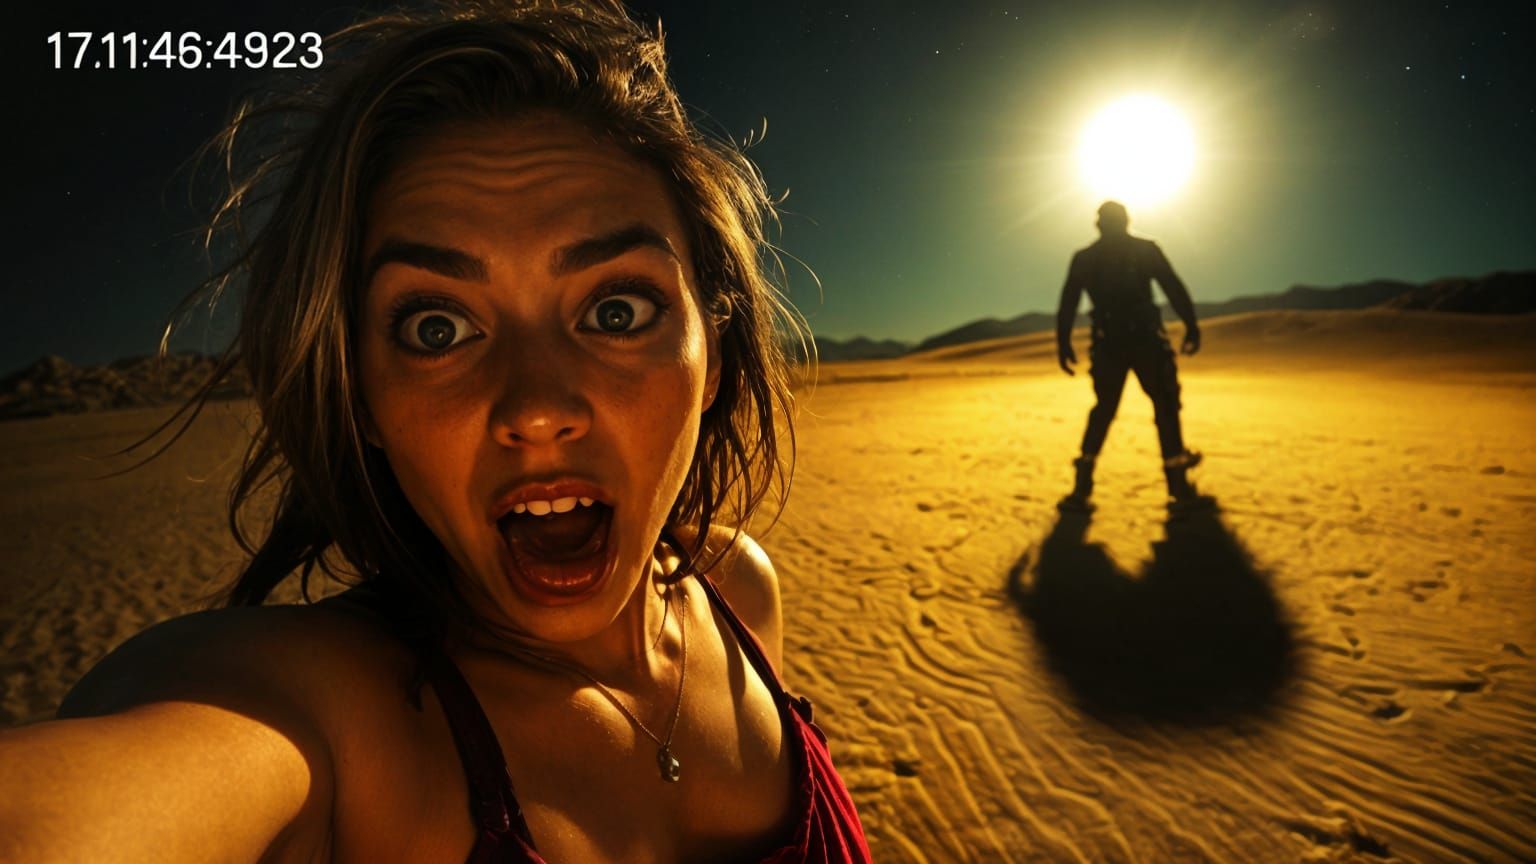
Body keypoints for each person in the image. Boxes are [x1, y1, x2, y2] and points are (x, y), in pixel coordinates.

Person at [0, 2, 873, 862]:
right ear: (364, 403)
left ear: (711, 358)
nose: (535, 407)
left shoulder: (739, 593)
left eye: (617, 309)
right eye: (437, 329)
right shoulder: (340, 729)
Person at [1055, 200, 1207, 511]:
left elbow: (1068, 303)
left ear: (1099, 224)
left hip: (1110, 342)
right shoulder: (1145, 249)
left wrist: (1063, 342)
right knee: (1164, 403)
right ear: (1126, 221)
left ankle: (1083, 481)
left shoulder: (1086, 258)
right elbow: (1174, 288)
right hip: (1143, 340)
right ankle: (1177, 485)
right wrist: (1191, 325)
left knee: (1106, 408)